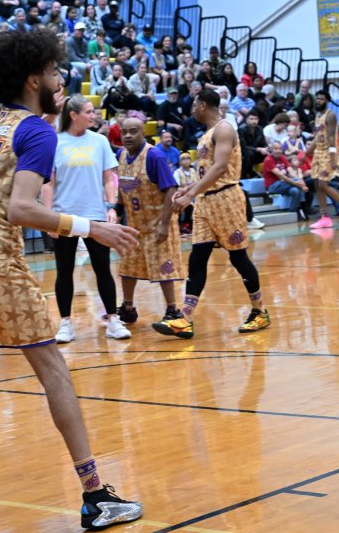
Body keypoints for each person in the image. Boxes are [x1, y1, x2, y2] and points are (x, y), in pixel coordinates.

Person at [0, 29, 141, 529]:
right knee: (54, 369)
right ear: (34, 77)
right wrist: (91, 226)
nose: (61, 80)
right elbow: (20, 208)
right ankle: (96, 495)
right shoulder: (36, 130)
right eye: (56, 72)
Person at [151, 89, 270, 339]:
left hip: (226, 198)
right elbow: (207, 171)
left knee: (238, 258)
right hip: (206, 202)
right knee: (197, 257)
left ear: (203, 105)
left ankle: (259, 311)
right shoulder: (206, 134)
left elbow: (220, 168)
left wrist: (189, 195)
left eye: (194, 104)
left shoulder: (224, 129)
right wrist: (190, 188)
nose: (192, 108)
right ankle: (185, 318)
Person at [42, 94, 130, 343]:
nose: (94, 116)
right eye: (89, 112)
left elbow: (108, 177)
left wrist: (111, 206)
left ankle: (113, 320)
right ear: (73, 115)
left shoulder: (100, 141)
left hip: (95, 216)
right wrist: (49, 217)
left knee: (103, 268)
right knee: (64, 271)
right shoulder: (55, 142)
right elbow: (48, 183)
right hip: (64, 216)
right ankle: (65, 323)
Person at [115, 117, 184, 326]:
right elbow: (121, 187)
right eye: (124, 131)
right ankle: (127, 308)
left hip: (157, 223)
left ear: (143, 133)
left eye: (133, 131)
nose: (128, 136)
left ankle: (172, 310)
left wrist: (164, 224)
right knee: (128, 266)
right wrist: (117, 210)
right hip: (134, 224)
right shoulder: (120, 155)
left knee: (163, 267)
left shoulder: (153, 155)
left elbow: (171, 189)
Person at [307, 89, 339, 229]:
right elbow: (317, 137)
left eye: (321, 99)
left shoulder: (330, 115)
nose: (318, 101)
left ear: (327, 100)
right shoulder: (317, 115)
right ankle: (324, 217)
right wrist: (306, 154)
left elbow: (333, 138)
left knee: (323, 184)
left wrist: (334, 158)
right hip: (318, 153)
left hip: (328, 153)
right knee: (316, 184)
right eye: (317, 98)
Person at [263, 141, 309, 220]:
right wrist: (298, 183)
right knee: (296, 185)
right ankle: (304, 209)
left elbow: (291, 172)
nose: (278, 151)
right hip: (273, 186)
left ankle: (293, 211)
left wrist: (299, 182)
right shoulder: (268, 160)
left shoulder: (283, 157)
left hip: (285, 184)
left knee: (295, 191)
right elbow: (280, 175)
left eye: (280, 149)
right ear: (271, 149)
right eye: (276, 149)